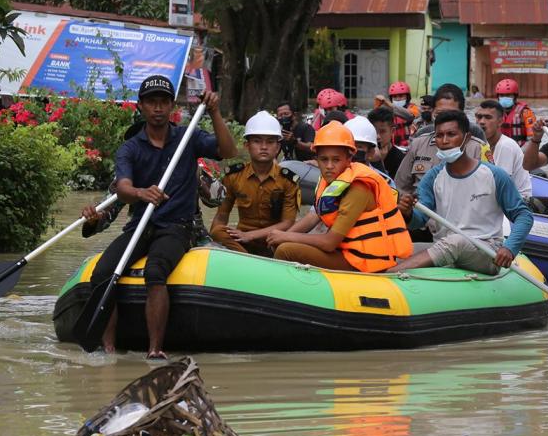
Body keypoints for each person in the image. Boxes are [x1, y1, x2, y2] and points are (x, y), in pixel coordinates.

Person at [91, 75, 237, 359]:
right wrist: (140, 193)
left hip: (177, 226)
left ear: (172, 106)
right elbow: (121, 188)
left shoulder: (187, 137)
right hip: (140, 225)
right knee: (103, 272)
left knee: (156, 269)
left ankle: (155, 349)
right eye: (151, 103)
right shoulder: (130, 148)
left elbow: (228, 152)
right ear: (141, 107)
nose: (157, 108)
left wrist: (216, 112)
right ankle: (107, 347)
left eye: (163, 102)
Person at [390, 110, 533, 275]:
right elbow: (420, 219)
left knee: (456, 242)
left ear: (467, 138)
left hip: (486, 249)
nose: (444, 141)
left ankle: (388, 274)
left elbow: (524, 215)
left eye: (451, 135)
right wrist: (407, 214)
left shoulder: (494, 175)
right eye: (439, 135)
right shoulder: (433, 177)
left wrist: (510, 248)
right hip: (444, 246)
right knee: (397, 249)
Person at [266, 122, 412, 272]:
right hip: (347, 251)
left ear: (349, 159)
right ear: (316, 159)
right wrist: (283, 235)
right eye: (324, 159)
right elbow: (313, 217)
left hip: (364, 262)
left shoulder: (358, 188)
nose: (329, 166)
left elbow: (330, 242)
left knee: (286, 250)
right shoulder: (329, 181)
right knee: (282, 243)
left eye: (336, 160)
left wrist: (285, 237)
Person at [209, 111, 300, 257]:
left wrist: (251, 235)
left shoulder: (288, 180)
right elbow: (222, 215)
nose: (264, 147)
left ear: (277, 147)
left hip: (274, 241)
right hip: (241, 241)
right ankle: (248, 259)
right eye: (257, 141)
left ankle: (247, 261)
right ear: (247, 145)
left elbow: (288, 223)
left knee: (291, 243)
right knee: (217, 231)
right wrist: (212, 243)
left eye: (270, 142)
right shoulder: (233, 176)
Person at [394, 83, 491, 196]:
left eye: (451, 115)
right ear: (433, 112)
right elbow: (400, 187)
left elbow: (489, 191)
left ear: (462, 115)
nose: (445, 121)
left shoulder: (478, 148)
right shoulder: (418, 144)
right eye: (440, 114)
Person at [474, 99, 533, 198]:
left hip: (519, 201)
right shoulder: (479, 144)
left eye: (488, 117)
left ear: (500, 121)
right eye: (479, 117)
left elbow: (500, 186)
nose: (482, 122)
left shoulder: (506, 145)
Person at [366, 107, 408, 179]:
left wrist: (379, 163)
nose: (378, 136)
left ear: (392, 131)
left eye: (382, 131)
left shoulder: (401, 160)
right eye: (374, 131)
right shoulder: (363, 155)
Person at [494, 78, 538, 146]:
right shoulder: (494, 112)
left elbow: (532, 138)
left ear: (515, 96)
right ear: (498, 97)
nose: (504, 98)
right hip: (500, 149)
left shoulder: (526, 113)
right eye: (502, 95)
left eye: (508, 95)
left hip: (521, 149)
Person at [385, 81, 420, 147]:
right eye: (394, 97)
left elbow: (410, 115)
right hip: (393, 146)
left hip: (409, 146)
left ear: (407, 97)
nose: (397, 99)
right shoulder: (388, 111)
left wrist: (390, 106)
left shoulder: (413, 108)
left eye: (401, 96)